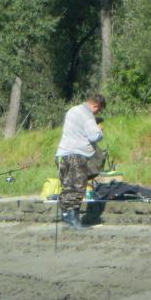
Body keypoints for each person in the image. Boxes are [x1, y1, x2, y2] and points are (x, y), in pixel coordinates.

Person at [55, 94, 106, 229]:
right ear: (96, 106)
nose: (97, 113)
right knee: (77, 187)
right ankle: (74, 220)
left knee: (67, 186)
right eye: (99, 110)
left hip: (62, 154)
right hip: (77, 155)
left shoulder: (73, 110)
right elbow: (94, 136)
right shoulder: (87, 115)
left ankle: (66, 216)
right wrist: (100, 130)